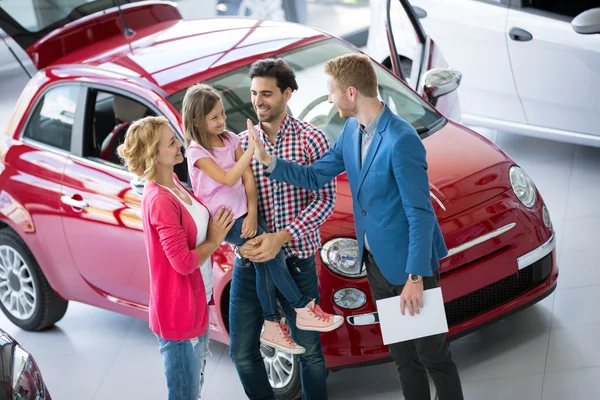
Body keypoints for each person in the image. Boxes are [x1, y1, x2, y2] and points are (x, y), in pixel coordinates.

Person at [248, 53, 464, 400]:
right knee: (403, 358)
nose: (328, 99)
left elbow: (420, 214)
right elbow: (315, 175)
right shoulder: (351, 131)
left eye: (331, 92)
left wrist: (415, 278)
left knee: (432, 355)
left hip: (409, 266)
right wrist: (270, 162)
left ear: (351, 93)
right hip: (375, 262)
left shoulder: (401, 139)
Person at [181, 83, 343, 355]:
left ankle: (272, 323)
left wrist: (253, 212)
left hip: (245, 214)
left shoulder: (231, 139)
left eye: (223, 114)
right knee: (271, 256)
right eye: (215, 118)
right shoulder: (197, 152)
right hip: (223, 221)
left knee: (266, 260)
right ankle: (302, 307)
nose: (222, 121)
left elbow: (247, 179)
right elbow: (228, 177)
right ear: (197, 120)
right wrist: (252, 150)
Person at [229, 58, 337, 399]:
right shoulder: (241, 145)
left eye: (267, 94)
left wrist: (282, 236)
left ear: (287, 94)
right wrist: (240, 244)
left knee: (311, 354)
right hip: (251, 265)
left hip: (297, 263)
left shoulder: (312, 140)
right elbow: (226, 202)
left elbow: (325, 201)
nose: (259, 101)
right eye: (254, 93)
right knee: (242, 353)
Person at [117, 116, 235, 400]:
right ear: (153, 156)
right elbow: (182, 262)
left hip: (196, 303)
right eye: (171, 143)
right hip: (179, 315)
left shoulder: (174, 185)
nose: (179, 144)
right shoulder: (160, 200)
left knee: (193, 388)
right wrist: (215, 240)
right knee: (184, 395)